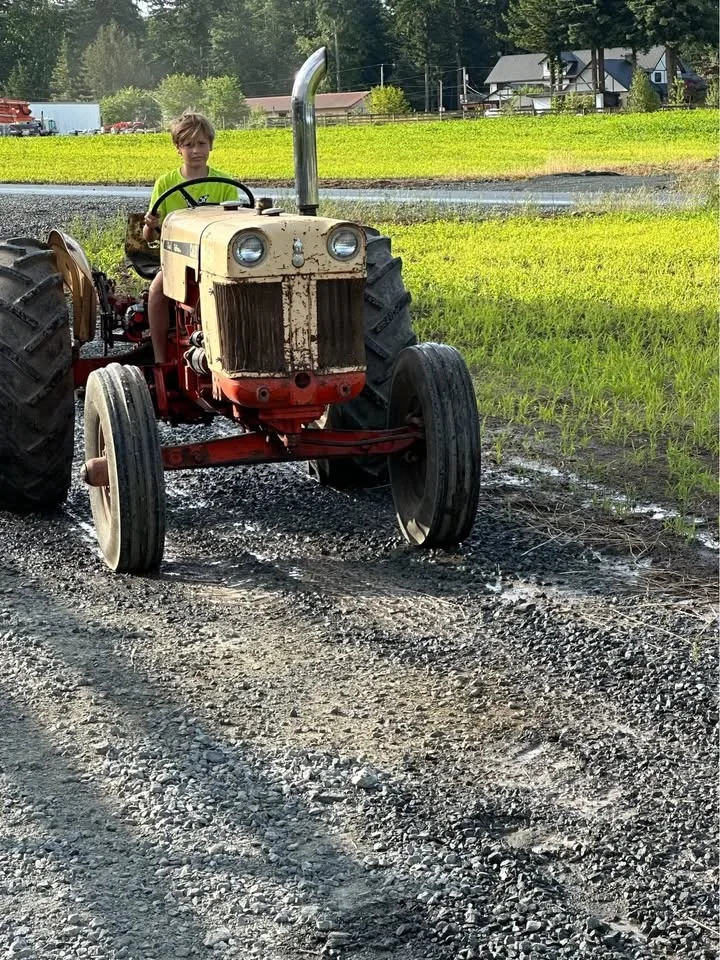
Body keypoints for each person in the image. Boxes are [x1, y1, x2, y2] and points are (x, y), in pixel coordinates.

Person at [142, 111, 239, 363]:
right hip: (177, 256)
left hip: (214, 256)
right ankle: (160, 358)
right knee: (156, 291)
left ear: (211, 146)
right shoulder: (166, 183)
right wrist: (150, 225)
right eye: (188, 145)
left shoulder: (226, 183)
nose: (195, 150)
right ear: (178, 148)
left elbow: (237, 222)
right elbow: (147, 234)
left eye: (201, 144)